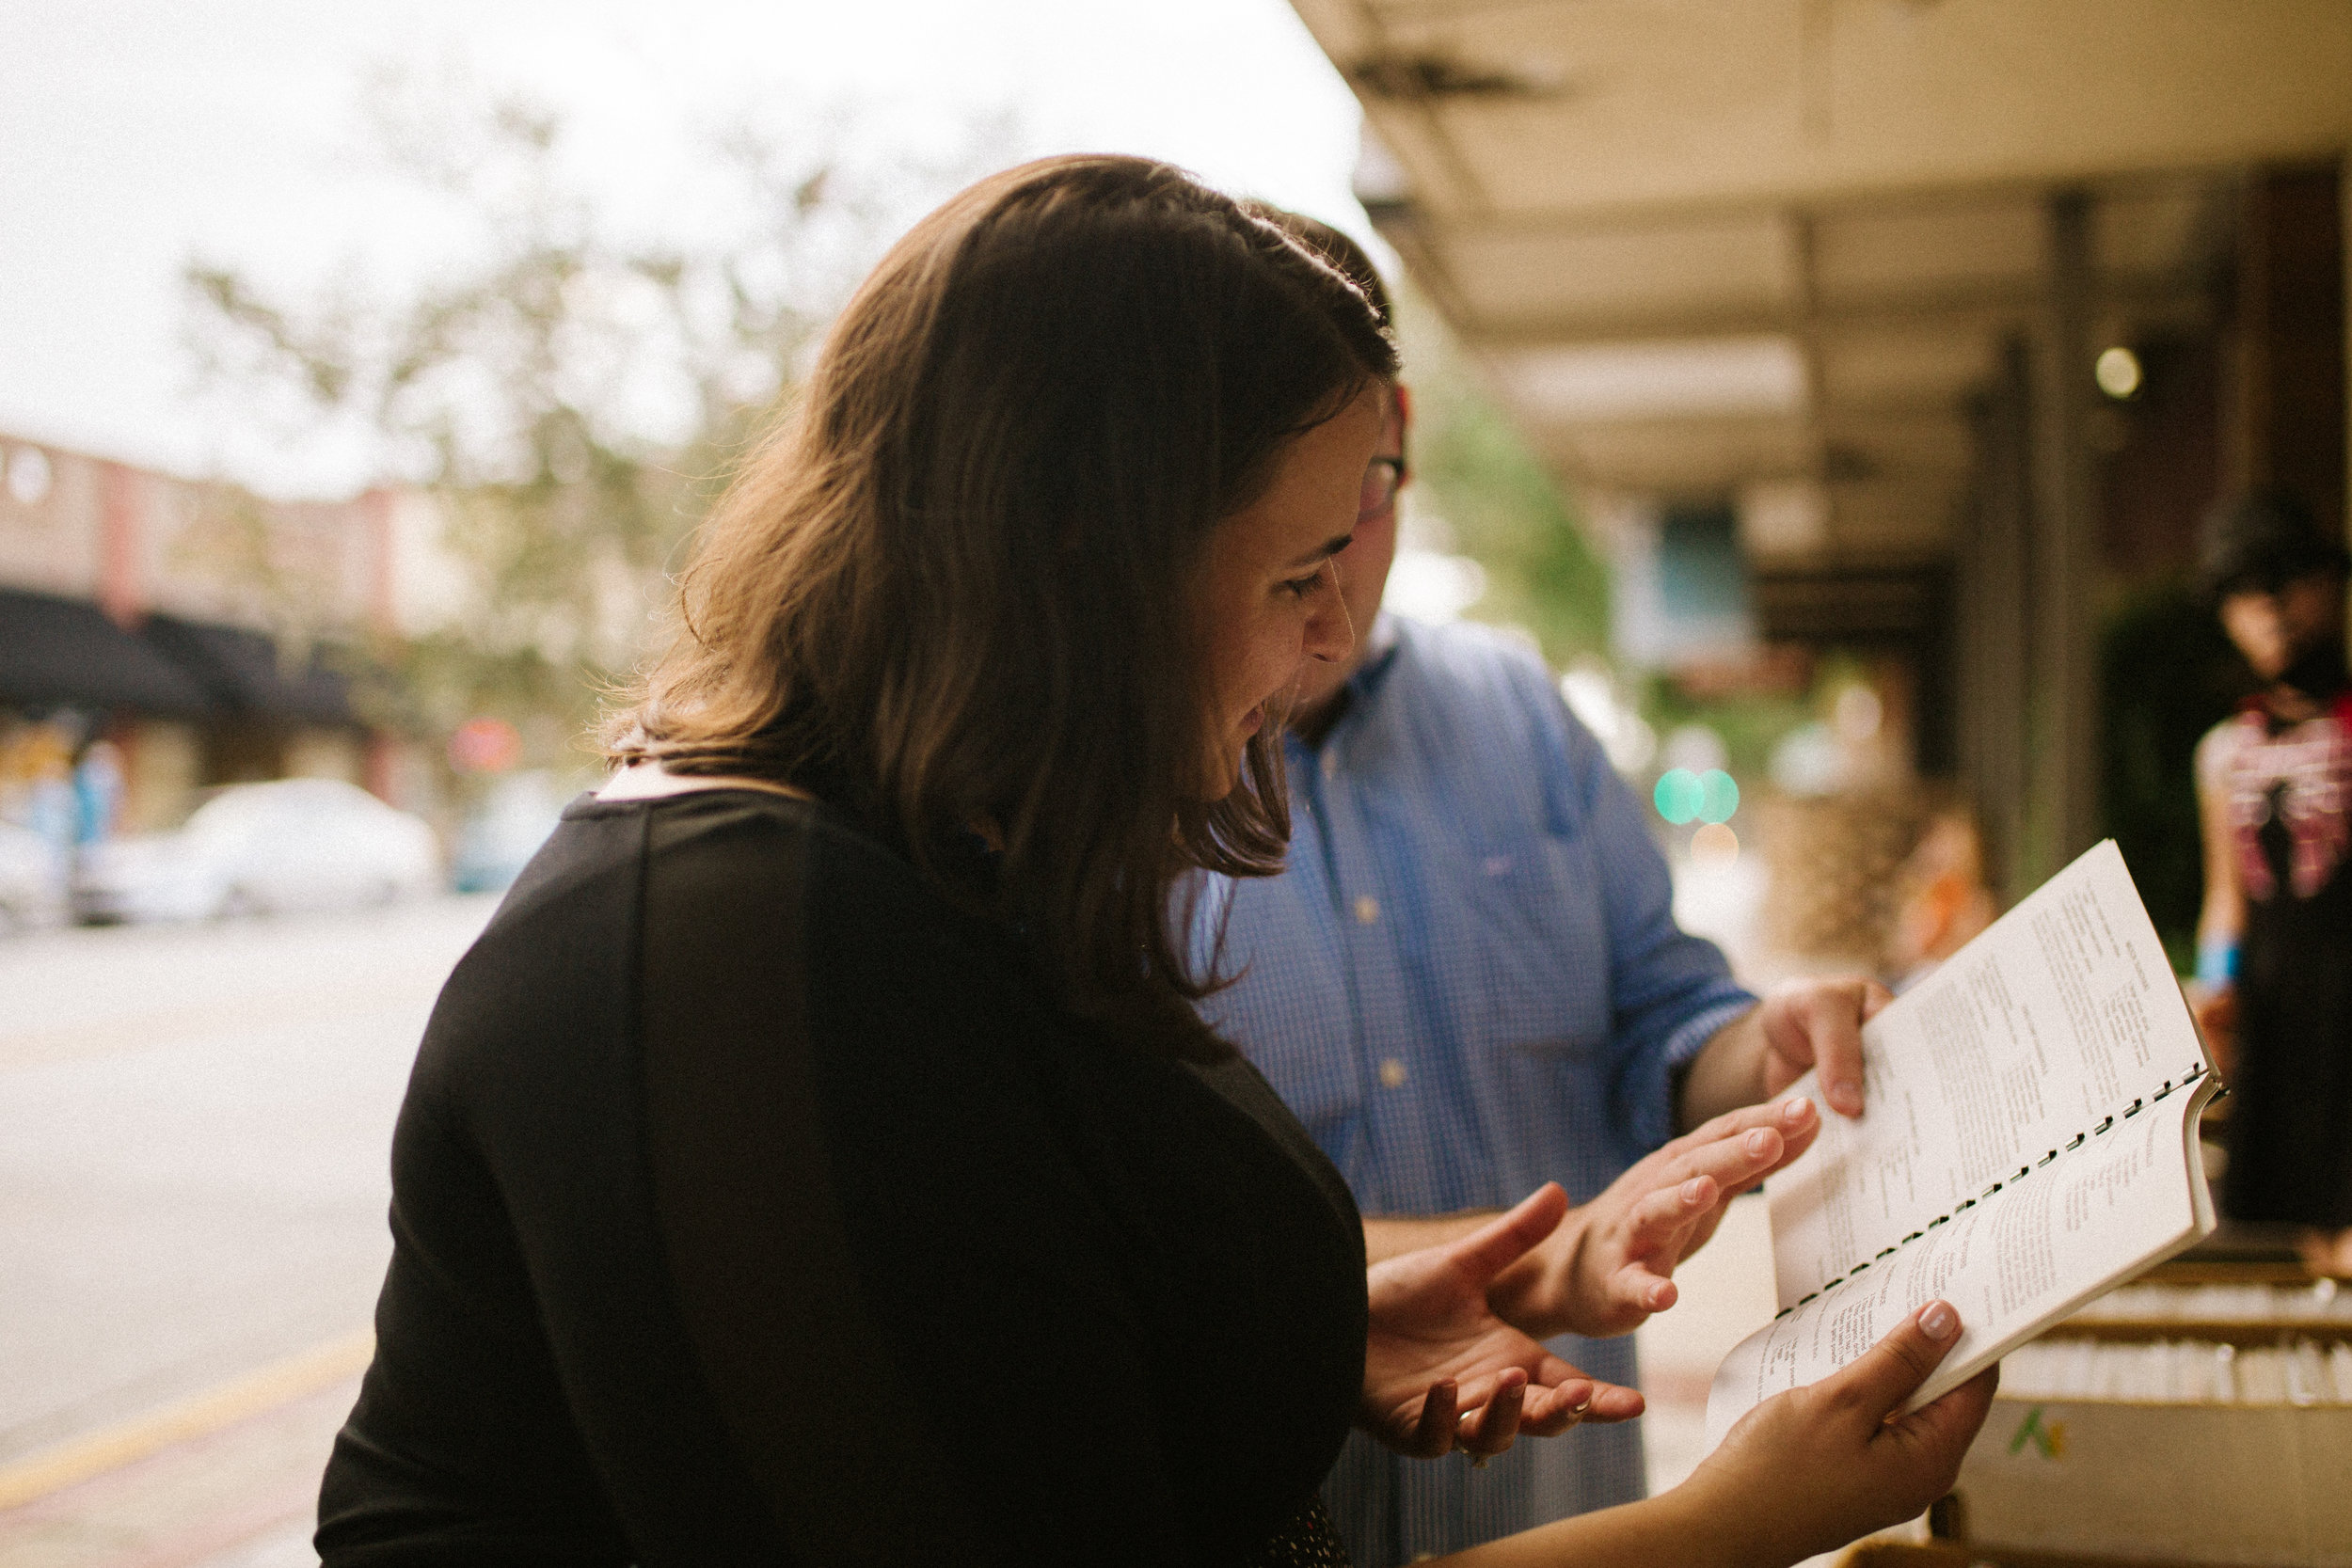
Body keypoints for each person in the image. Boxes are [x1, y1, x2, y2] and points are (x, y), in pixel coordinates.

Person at [316, 155, 1992, 1566]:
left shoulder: (952, 878)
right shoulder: (737, 950)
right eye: (1295, 574)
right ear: (1083, 561)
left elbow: (1009, 1331)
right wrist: (1724, 1524)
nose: (1336, 631)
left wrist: (1319, 1333)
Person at [1198, 212, 1893, 1561]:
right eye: (1285, 546)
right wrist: (1549, 1257)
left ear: (1396, 427)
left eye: (1366, 504)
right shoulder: (1098, 801)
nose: (1331, 592)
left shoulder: (1519, 712)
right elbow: (1145, 1217)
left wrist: (1763, 1051)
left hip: (1557, 1505)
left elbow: (1661, 1015)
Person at [2190, 489, 2352, 1276]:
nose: (2272, 608)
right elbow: (2228, 893)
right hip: (2275, 1005)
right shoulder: (2225, 752)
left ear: (2327, 583)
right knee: (2274, 1227)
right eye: (2246, 594)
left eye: (2287, 581)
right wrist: (2216, 985)